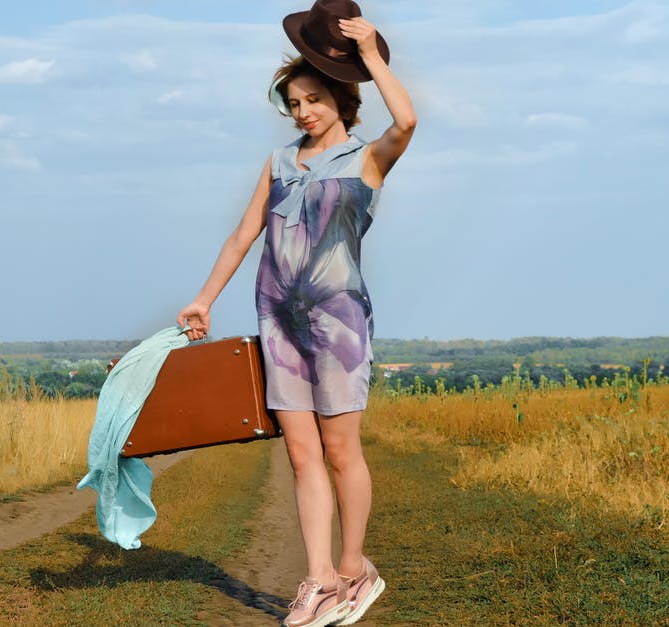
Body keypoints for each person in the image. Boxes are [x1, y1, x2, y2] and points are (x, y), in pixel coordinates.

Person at [177, 1, 414, 625]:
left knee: (341, 452)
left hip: (338, 326)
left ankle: (354, 568)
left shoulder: (368, 159)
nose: (303, 112)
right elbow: (243, 235)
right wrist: (204, 297)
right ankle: (317, 580)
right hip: (278, 320)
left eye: (312, 99)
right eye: (294, 103)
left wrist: (368, 53)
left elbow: (408, 119)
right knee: (301, 455)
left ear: (340, 98)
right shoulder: (280, 163)